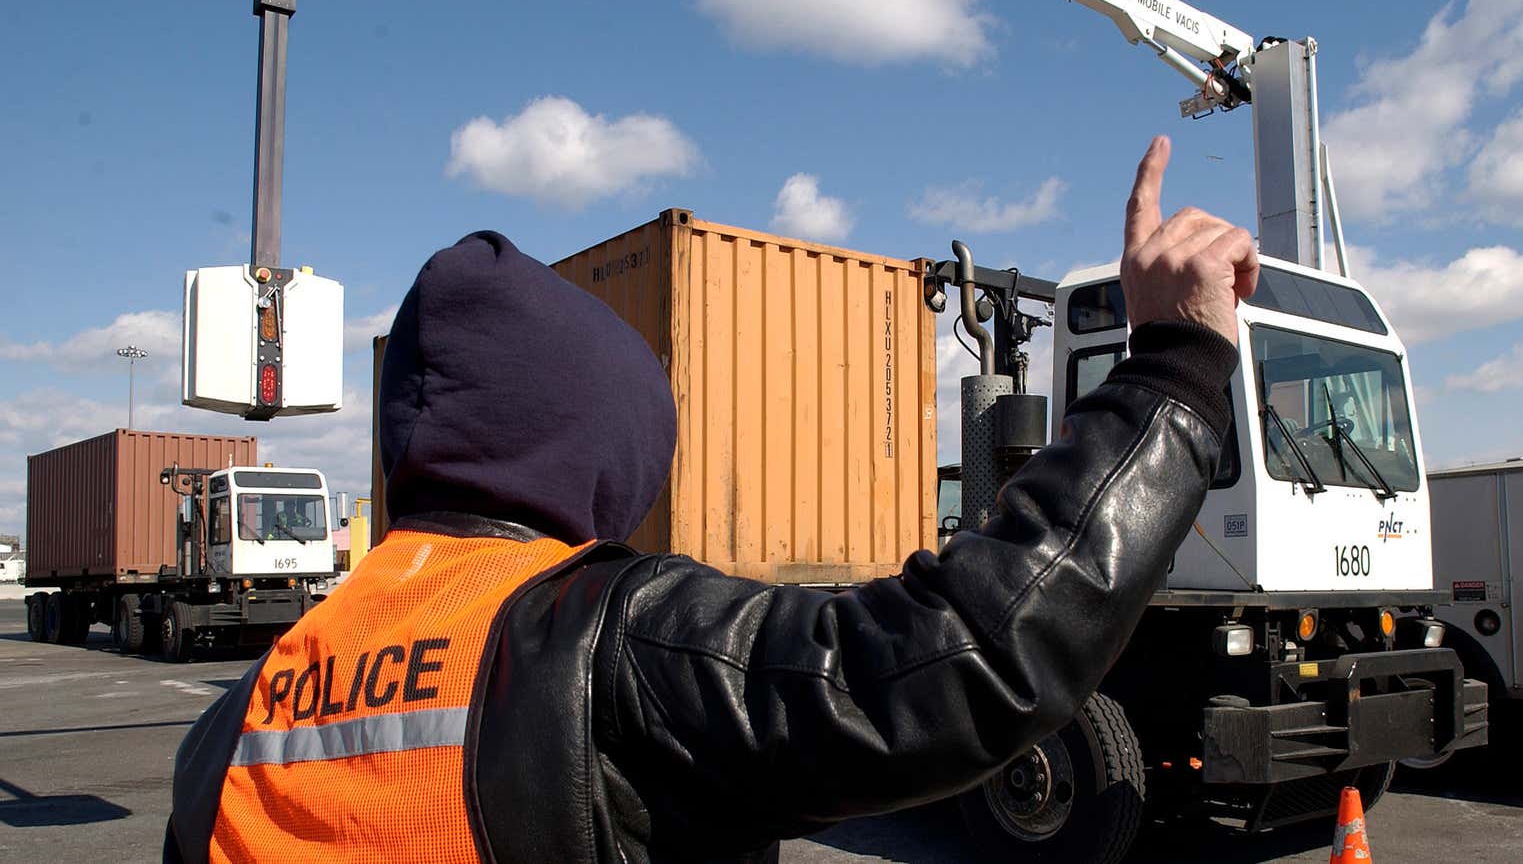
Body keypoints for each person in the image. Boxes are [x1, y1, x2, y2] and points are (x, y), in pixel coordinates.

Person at [165, 136, 1258, 863]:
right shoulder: (612, 641)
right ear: (605, 445)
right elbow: (962, 657)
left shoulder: (237, 724)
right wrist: (1172, 370)